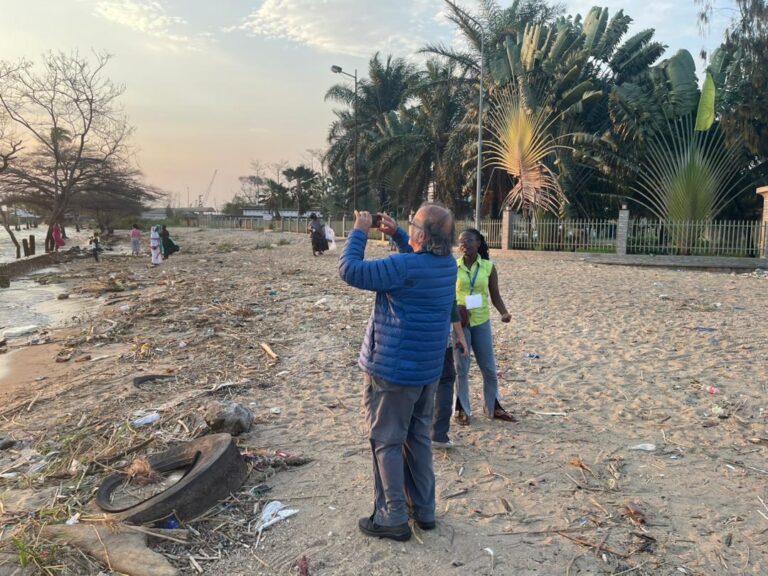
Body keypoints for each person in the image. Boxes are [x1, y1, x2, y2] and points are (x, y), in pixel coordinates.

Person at [339, 204, 457, 542]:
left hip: (392, 372)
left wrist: (360, 230)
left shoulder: (402, 266)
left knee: (386, 441)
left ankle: (391, 515)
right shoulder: (447, 266)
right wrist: (399, 235)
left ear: (421, 234)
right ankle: (424, 509)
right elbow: (420, 260)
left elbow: (350, 270)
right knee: (418, 437)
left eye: (412, 225)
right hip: (427, 371)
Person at [453, 228, 515, 426]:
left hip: (481, 321)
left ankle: (493, 407)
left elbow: (495, 295)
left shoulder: (488, 267)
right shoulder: (453, 267)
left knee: (488, 368)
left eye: (469, 241)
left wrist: (504, 312)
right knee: (461, 368)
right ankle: (461, 410)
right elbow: (447, 296)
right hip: (460, 324)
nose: (464, 245)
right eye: (461, 242)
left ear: (478, 242)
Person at [432, 301, 468, 449]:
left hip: (412, 339)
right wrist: (460, 336)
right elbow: (451, 305)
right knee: (445, 382)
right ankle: (438, 434)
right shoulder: (446, 277)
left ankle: (411, 434)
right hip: (439, 339)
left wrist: (460, 336)